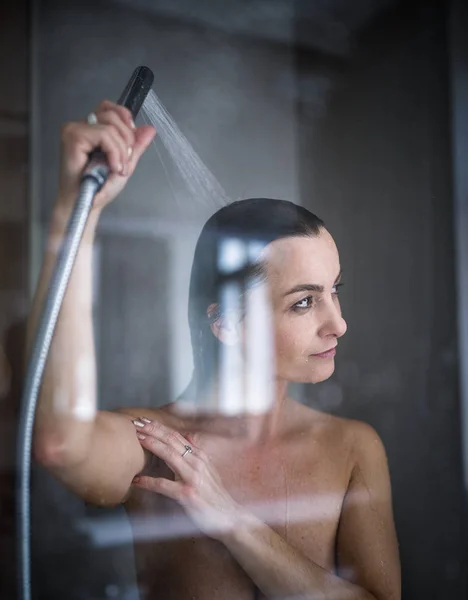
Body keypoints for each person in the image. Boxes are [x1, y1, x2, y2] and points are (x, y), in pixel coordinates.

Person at [31, 100, 401, 600]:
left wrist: (230, 518)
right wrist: (74, 211)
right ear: (226, 323)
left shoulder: (354, 447)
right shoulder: (155, 447)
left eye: (336, 290)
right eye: (305, 302)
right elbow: (60, 443)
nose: (339, 323)